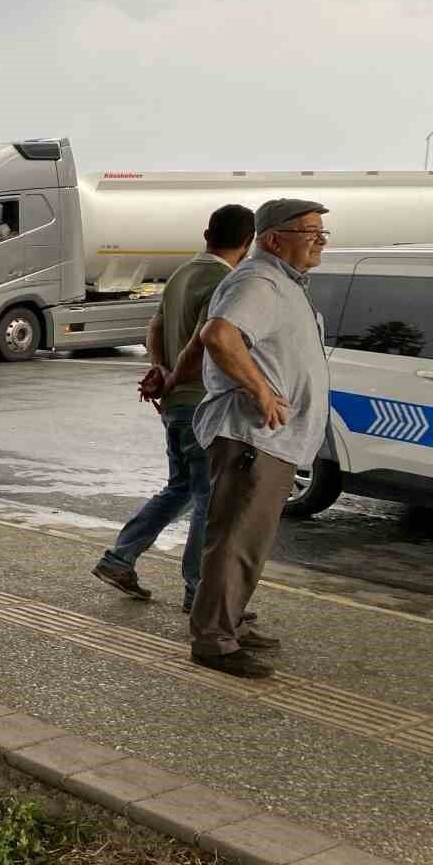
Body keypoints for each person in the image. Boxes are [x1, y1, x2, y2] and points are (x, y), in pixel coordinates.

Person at [188, 198, 331, 679]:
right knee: (235, 540)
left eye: (322, 232)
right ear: (273, 239)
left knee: (249, 539)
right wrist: (262, 390)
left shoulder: (281, 284)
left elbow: (203, 339)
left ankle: (232, 621)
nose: (320, 239)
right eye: (309, 231)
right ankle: (214, 640)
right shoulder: (260, 281)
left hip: (272, 440)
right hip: (253, 436)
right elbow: (218, 335)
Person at [92, 205, 254, 609]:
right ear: (249, 243)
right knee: (208, 498)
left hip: (177, 405)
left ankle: (120, 557)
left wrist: (160, 372)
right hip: (204, 404)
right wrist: (175, 377)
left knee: (180, 487)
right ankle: (198, 589)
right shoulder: (226, 280)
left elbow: (154, 327)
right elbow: (207, 342)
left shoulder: (182, 273)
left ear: (206, 233)